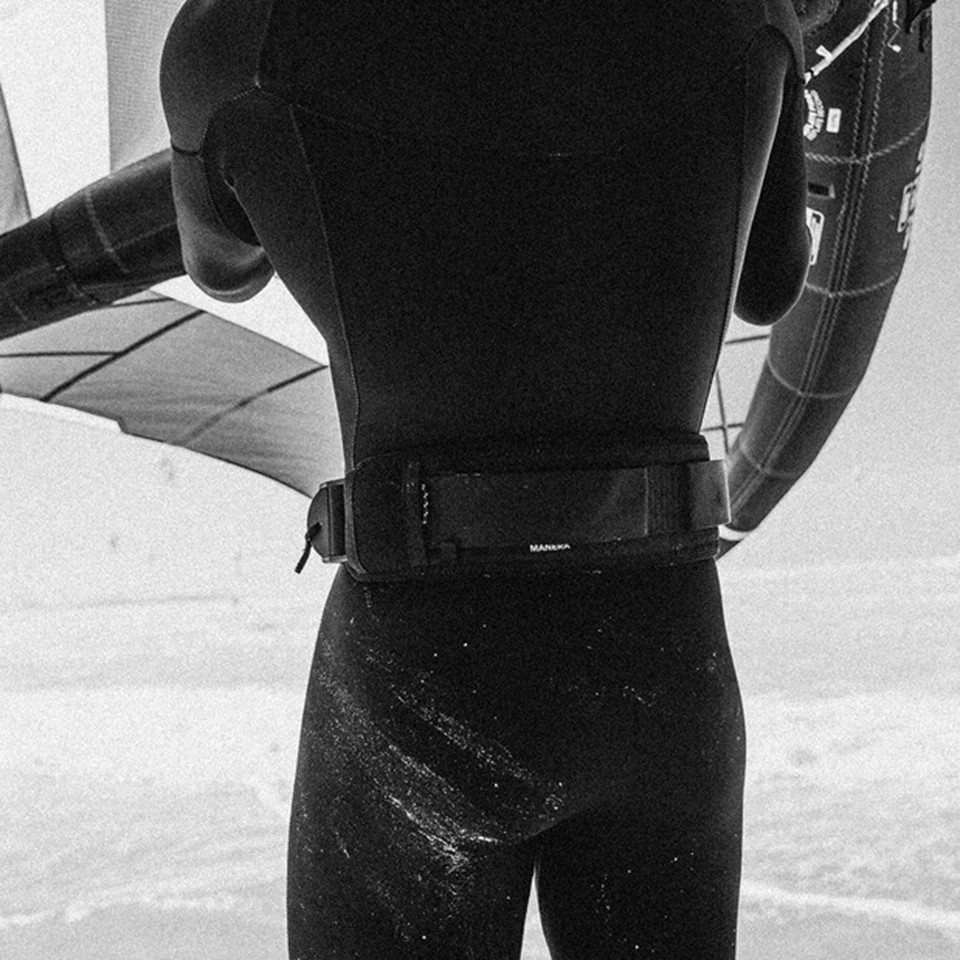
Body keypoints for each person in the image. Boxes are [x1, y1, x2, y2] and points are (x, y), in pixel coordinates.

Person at [158, 1, 809, 958]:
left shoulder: (230, 34)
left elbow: (223, 268)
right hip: (662, 654)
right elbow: (771, 282)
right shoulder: (756, 11)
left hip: (421, 667)